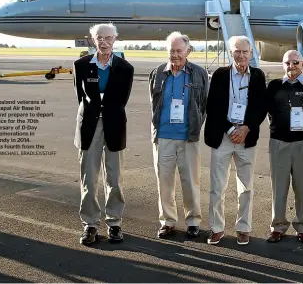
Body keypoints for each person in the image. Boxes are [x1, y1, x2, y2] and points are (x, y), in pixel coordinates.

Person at [73, 23, 134, 245]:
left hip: (114, 126)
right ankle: (90, 224)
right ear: (92, 39)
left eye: (108, 37)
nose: (104, 41)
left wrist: (105, 112)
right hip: (89, 127)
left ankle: (114, 223)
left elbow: (121, 101)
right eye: (100, 37)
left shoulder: (125, 68)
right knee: (88, 178)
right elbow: (80, 97)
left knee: (114, 178)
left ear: (115, 39)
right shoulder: (81, 65)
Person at [204, 35, 267, 246]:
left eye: (245, 51)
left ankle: (243, 228)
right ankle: (216, 228)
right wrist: (231, 128)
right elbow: (212, 106)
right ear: (230, 52)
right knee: (217, 186)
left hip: (246, 138)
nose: (241, 55)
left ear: (251, 53)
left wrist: (247, 128)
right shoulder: (221, 75)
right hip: (223, 136)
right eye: (236, 51)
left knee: (246, 187)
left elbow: (260, 107)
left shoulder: (258, 75)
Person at [149, 32, 209, 239]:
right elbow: (154, 103)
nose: (175, 55)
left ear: (188, 51)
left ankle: (193, 221)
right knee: (164, 182)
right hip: (163, 136)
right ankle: (167, 221)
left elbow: (204, 104)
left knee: (190, 181)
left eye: (179, 51)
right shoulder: (158, 73)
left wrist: (195, 127)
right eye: (171, 51)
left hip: (188, 137)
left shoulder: (199, 74)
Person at [264, 50, 303, 244]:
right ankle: (277, 226)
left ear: (302, 64)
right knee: (279, 187)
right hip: (279, 142)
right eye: (288, 62)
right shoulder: (274, 86)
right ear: (283, 64)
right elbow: (266, 111)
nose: (291, 66)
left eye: (295, 62)